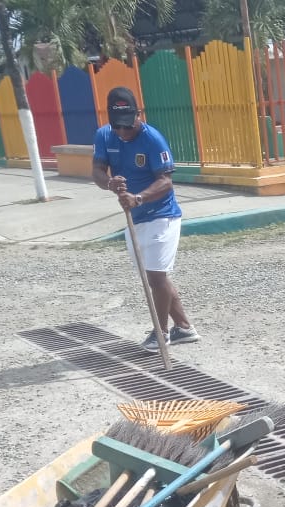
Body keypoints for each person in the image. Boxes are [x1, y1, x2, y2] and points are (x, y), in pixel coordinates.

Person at [92, 86, 199, 349]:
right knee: (154, 277)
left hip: (162, 215)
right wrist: (110, 183)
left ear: (138, 114)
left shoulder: (153, 139)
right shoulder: (104, 136)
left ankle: (161, 333)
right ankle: (184, 328)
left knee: (157, 277)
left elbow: (166, 182)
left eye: (127, 125)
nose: (123, 132)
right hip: (135, 218)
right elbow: (97, 170)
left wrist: (138, 198)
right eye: (117, 126)